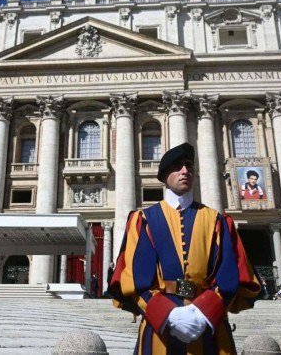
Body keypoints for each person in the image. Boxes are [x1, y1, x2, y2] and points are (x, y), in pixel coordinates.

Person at [110, 142, 260, 353]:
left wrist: (204, 313)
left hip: (208, 325)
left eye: (189, 166)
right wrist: (168, 315)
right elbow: (135, 279)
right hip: (159, 328)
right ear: (164, 176)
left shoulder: (217, 220)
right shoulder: (143, 220)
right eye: (177, 167)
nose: (185, 171)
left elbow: (229, 274)